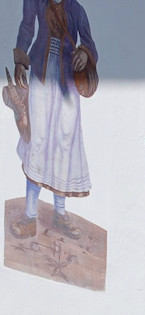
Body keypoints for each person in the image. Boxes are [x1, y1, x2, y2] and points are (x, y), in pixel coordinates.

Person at [10, 0, 97, 240]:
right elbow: (27, 27)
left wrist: (84, 53)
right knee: (37, 140)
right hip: (41, 72)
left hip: (67, 81)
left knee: (65, 142)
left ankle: (60, 213)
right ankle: (29, 216)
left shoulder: (77, 10)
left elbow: (89, 44)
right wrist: (20, 61)